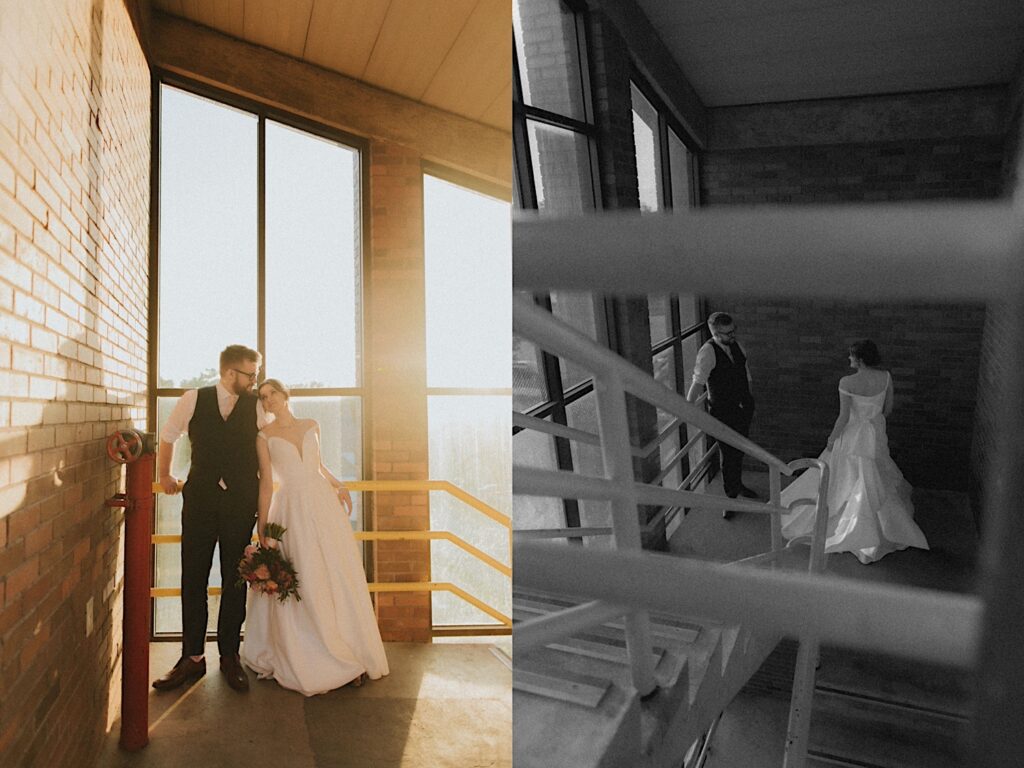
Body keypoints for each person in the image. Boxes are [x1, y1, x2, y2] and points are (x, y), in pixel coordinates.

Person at [241, 379, 389, 695]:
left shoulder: (312, 425)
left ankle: (347, 646)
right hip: (291, 508)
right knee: (306, 576)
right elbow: (266, 483)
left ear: (284, 395)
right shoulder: (264, 436)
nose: (268, 401)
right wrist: (262, 527)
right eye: (263, 398)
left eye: (272, 394)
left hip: (322, 504)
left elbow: (318, 467)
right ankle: (317, 655)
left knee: (335, 574)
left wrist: (340, 485)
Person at [153, 344, 265, 692]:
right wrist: (165, 476)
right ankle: (192, 658)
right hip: (200, 500)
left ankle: (229, 656)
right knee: (193, 577)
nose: (255, 380)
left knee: (235, 580)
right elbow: (168, 436)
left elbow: (272, 449)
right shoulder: (193, 398)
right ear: (230, 373)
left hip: (241, 502)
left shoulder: (258, 405)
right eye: (251, 373)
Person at [780, 340, 929, 564]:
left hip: (851, 436)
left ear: (859, 359)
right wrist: (872, 425)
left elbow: (844, 417)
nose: (849, 360)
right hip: (875, 434)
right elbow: (887, 409)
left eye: (851, 357)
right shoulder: (886, 377)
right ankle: (880, 529)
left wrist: (831, 439)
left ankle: (852, 529)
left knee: (844, 477)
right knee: (876, 475)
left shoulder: (847, 382)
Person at [686, 312, 759, 516]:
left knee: (740, 450)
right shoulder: (707, 352)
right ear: (715, 333)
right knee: (729, 455)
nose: (732, 336)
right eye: (727, 333)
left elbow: (745, 373)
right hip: (723, 412)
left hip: (743, 408)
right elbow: (698, 381)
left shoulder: (738, 346)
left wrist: (749, 399)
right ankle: (731, 499)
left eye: (733, 330)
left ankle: (737, 485)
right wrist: (687, 407)